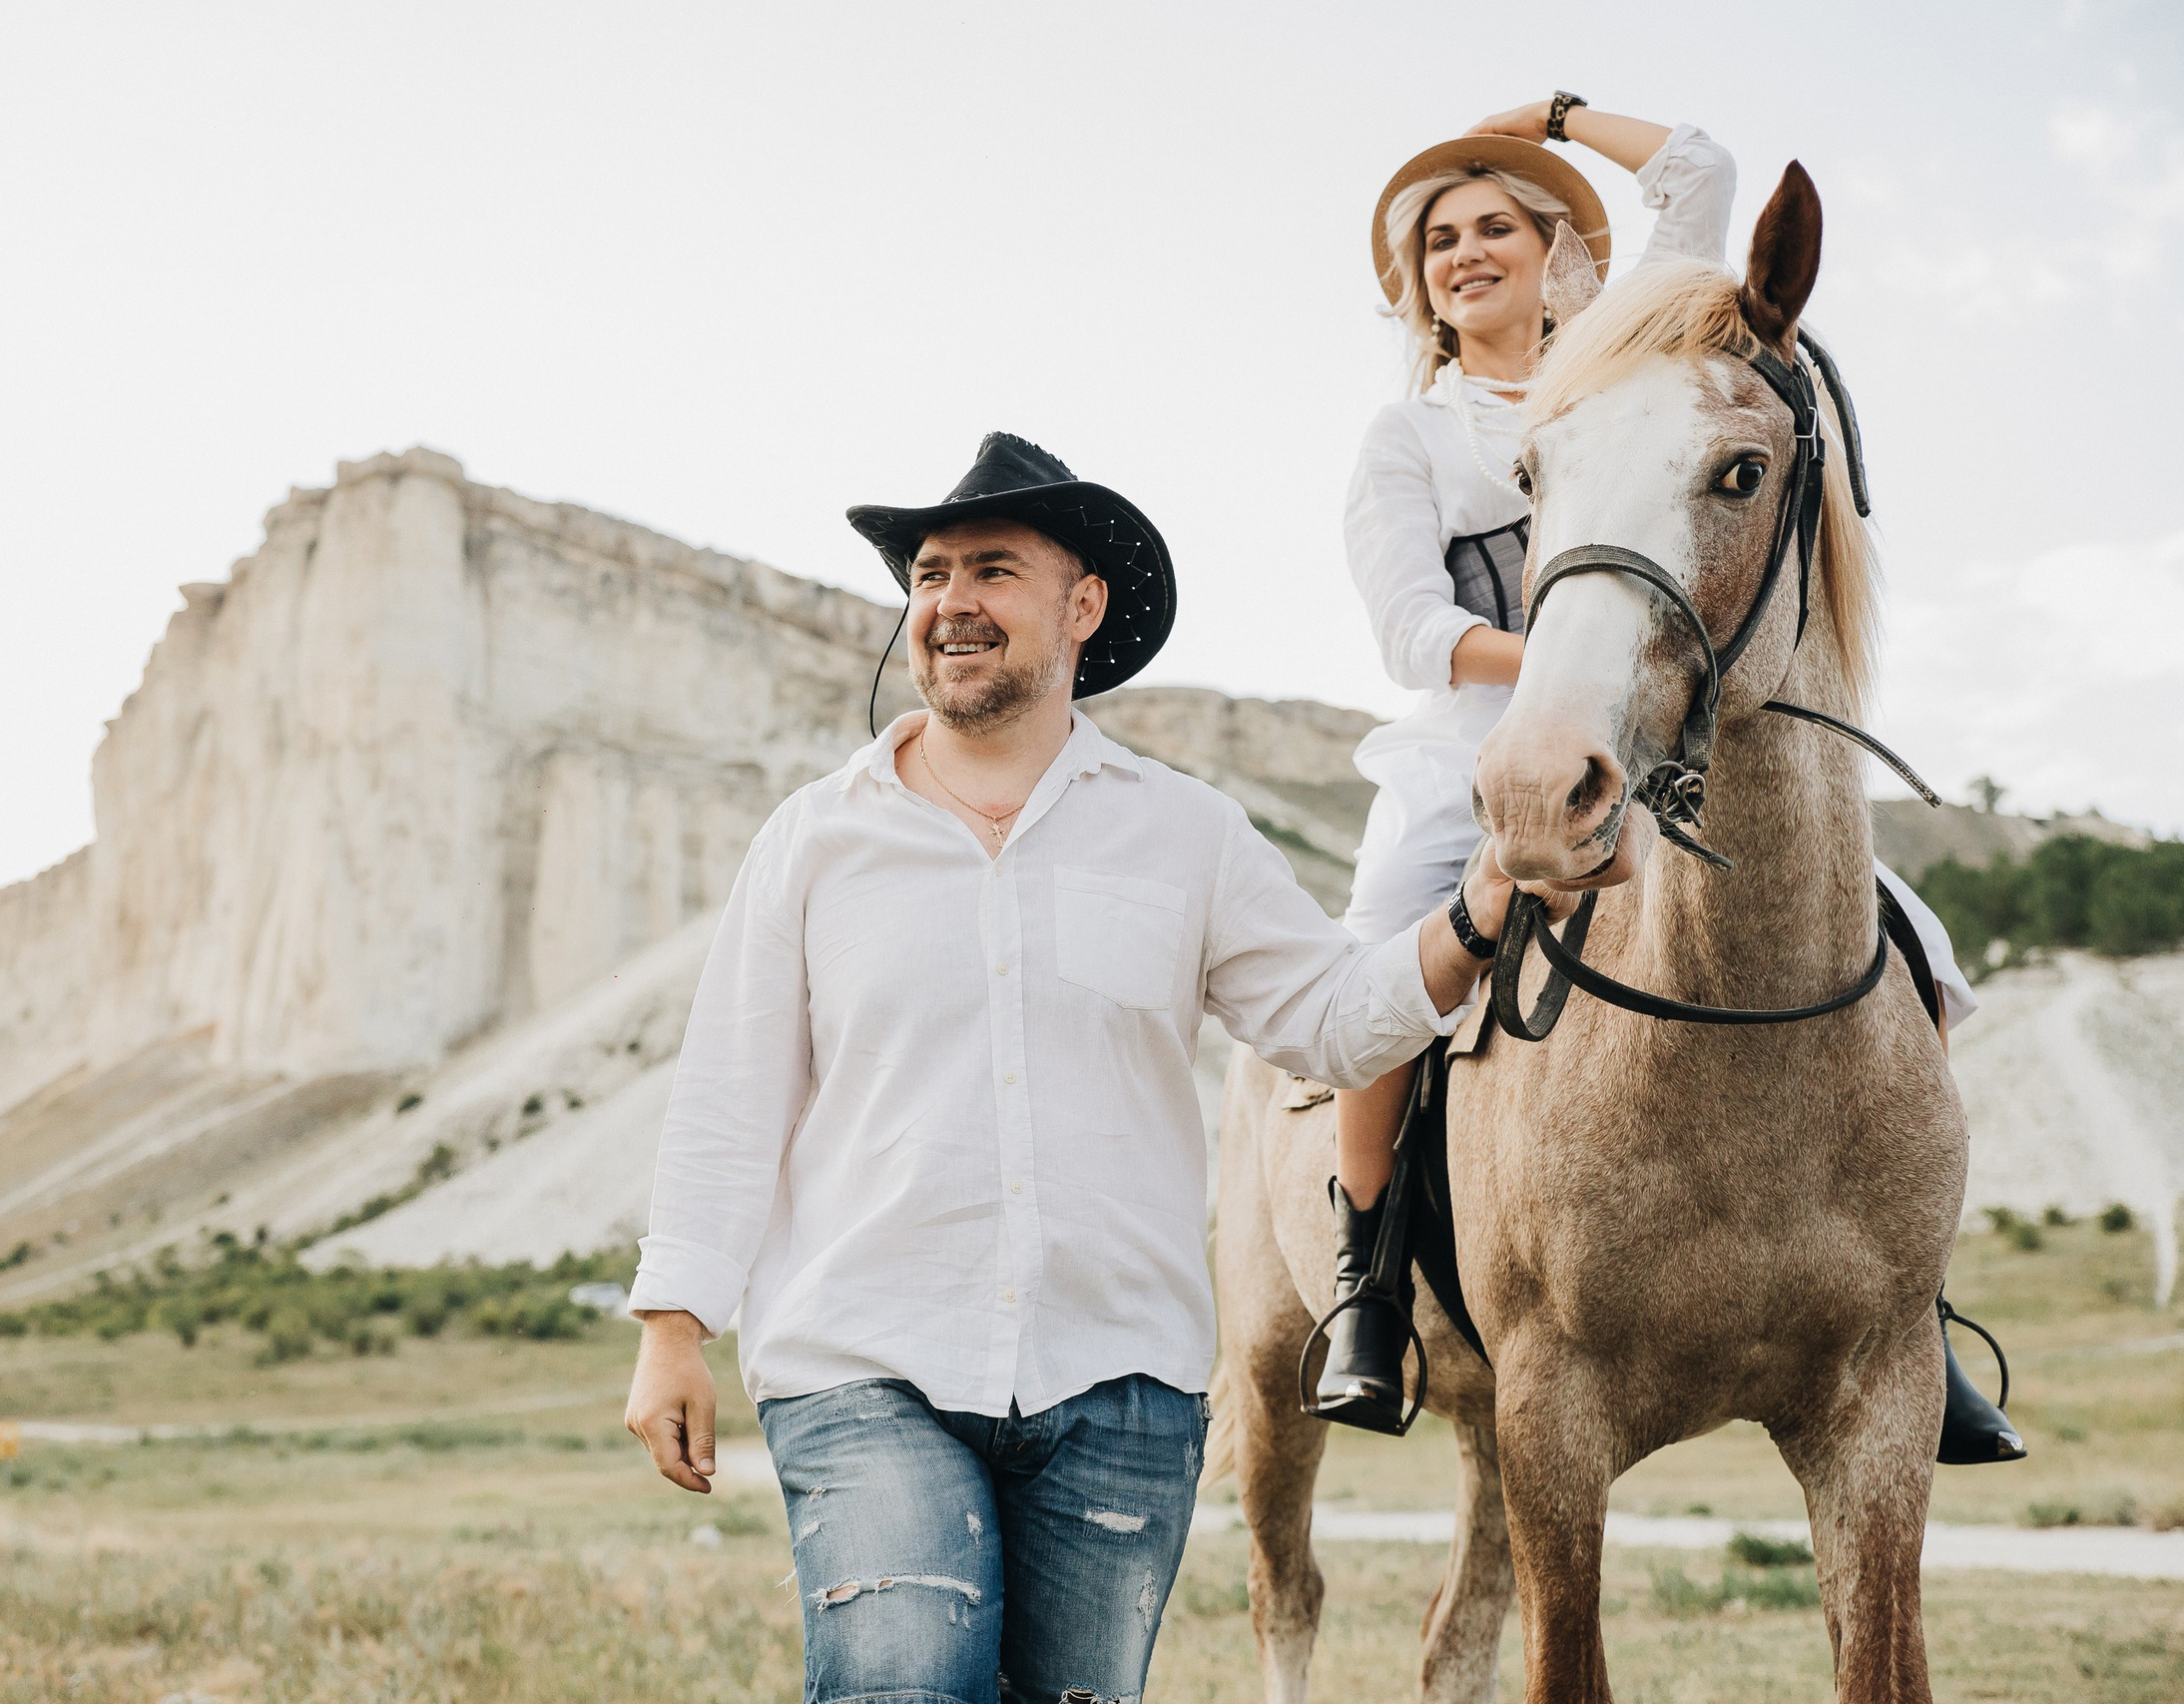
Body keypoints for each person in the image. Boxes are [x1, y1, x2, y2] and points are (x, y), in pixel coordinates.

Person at [622, 432, 1576, 1704]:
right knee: (904, 1681)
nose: (949, 602)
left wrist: (1483, 899)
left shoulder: (1185, 834)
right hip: (864, 1357)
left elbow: (1334, 1019)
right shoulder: (814, 840)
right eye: (928, 575)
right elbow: (728, 1095)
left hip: (1120, 1382)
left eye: (990, 570)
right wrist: (673, 1325)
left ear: (1081, 607)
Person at [1314, 94, 2026, 1468]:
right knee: (1377, 967)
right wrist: (1594, 653)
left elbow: (1701, 172)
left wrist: (1560, 115)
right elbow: (1410, 630)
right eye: (1441, 239)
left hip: (1671, 726)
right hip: (1487, 740)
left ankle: (1907, 1295)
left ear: (1552, 244)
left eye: (1496, 225)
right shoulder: (1409, 440)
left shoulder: (1627, 354)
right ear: (1418, 286)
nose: (1468, 251)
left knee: (1914, 947)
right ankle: (1368, 1279)